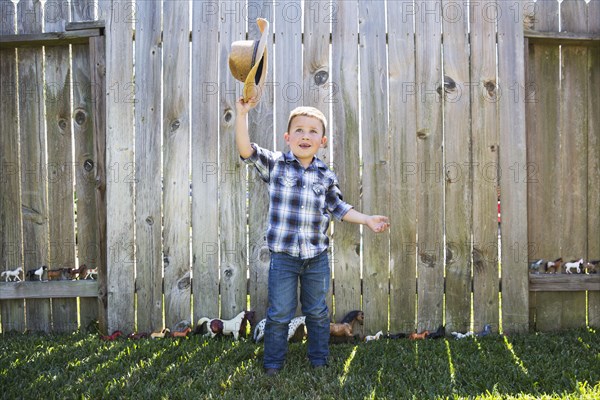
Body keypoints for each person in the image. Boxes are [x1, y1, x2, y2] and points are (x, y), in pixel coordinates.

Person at [235, 97, 390, 376]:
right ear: (287, 137)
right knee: (280, 312)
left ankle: (319, 360)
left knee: (317, 312)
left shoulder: (325, 175)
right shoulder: (276, 165)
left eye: (312, 131)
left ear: (323, 141)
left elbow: (338, 208)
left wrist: (366, 219)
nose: (305, 135)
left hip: (316, 259)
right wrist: (242, 114)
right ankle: (273, 363)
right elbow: (247, 151)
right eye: (299, 130)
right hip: (283, 258)